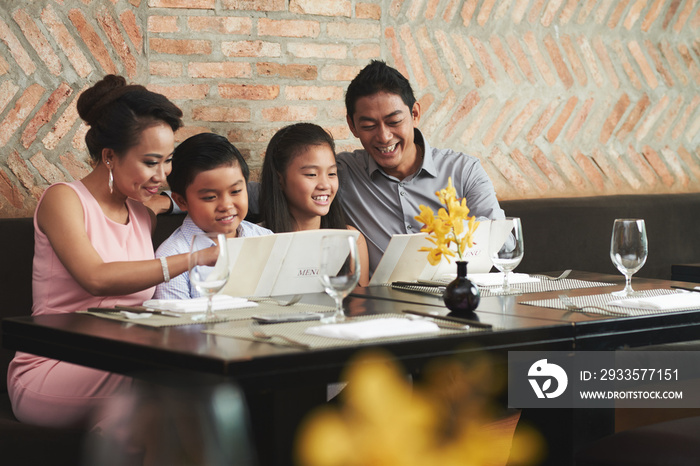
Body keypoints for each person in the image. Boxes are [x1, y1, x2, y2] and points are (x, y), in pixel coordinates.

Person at [7, 75, 195, 429]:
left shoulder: (141, 214)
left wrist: (180, 201)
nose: (163, 174)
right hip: (53, 364)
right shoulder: (63, 199)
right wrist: (194, 258)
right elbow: (96, 277)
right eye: (151, 162)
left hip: (120, 359)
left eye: (168, 161)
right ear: (109, 155)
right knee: (161, 379)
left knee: (160, 395)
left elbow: (172, 199)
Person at [337, 60, 506, 274]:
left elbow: (505, 243)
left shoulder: (464, 170)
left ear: (415, 114)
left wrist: (450, 233)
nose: (383, 136)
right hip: (382, 304)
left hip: (455, 299)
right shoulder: (342, 174)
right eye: (369, 126)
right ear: (352, 126)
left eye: (394, 121)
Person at [154, 132, 272, 300]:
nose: (226, 205)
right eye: (210, 197)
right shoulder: (172, 256)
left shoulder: (266, 239)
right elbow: (175, 320)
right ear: (181, 201)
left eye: (236, 191)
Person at [259, 123, 370, 287]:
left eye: (332, 173)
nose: (325, 184)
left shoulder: (351, 240)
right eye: (311, 174)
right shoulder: (257, 240)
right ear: (280, 179)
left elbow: (360, 307)